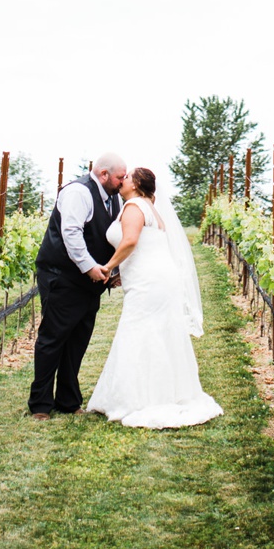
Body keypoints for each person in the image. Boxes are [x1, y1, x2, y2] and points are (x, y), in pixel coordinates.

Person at [86, 166, 222, 429]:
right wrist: (123, 273)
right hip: (156, 278)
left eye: (126, 178)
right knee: (159, 332)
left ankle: (139, 399)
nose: (122, 180)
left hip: (149, 282)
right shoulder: (151, 208)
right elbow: (150, 249)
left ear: (136, 185)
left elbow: (130, 242)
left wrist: (108, 267)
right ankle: (164, 392)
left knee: (138, 330)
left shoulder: (134, 206)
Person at [27, 153, 126, 418]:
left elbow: (107, 238)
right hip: (62, 277)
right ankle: (40, 405)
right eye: (119, 177)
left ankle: (68, 401)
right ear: (104, 174)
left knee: (78, 340)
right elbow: (72, 233)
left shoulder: (114, 197)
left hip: (90, 283)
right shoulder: (78, 192)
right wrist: (90, 268)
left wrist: (111, 270)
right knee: (53, 338)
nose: (122, 181)